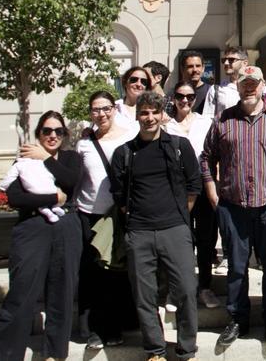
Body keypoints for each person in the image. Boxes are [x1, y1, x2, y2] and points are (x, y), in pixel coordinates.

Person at [200, 65, 266, 344]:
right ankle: (237, 320)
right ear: (238, 85)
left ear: (263, 85)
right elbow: (206, 158)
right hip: (233, 207)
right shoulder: (223, 120)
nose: (249, 87)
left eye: (254, 82)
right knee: (237, 267)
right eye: (244, 82)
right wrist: (212, 191)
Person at [110, 92, 201, 361]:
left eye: (154, 112)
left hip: (175, 229)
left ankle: (187, 349)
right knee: (145, 296)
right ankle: (155, 350)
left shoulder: (179, 146)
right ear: (137, 116)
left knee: (185, 290)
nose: (149, 117)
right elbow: (119, 195)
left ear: (163, 115)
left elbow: (193, 186)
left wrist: (180, 217)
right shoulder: (124, 153)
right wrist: (138, 220)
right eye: (144, 112)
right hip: (139, 232)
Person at [0, 111, 82, 361]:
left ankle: (54, 353)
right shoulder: (25, 157)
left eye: (58, 131)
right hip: (32, 227)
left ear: (65, 134)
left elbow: (72, 181)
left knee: (62, 292)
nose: (53, 136)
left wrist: (46, 158)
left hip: (66, 226)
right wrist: (53, 198)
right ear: (38, 133)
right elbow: (16, 197)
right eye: (47, 131)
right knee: (22, 290)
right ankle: (6, 354)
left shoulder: (71, 158)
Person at [74, 91, 135, 349]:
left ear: (115, 109)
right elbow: (77, 179)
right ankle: (95, 329)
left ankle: (117, 326)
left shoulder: (129, 135)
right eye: (96, 110)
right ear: (90, 113)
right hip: (90, 214)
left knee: (116, 272)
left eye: (106, 108)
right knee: (93, 272)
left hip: (119, 215)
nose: (101, 114)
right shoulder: (84, 143)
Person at [164, 80, 221, 309]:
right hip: (175, 190)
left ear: (195, 99)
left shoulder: (205, 122)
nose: (185, 100)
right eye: (180, 96)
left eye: (189, 96)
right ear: (174, 99)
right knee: (180, 241)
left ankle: (205, 287)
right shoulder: (166, 126)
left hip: (203, 186)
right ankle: (178, 290)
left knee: (206, 240)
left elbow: (215, 153)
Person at [0, 148, 66, 224]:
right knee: (55, 195)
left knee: (41, 205)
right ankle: (56, 207)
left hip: (36, 191)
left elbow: (9, 177)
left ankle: (49, 214)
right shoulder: (41, 162)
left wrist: (3, 188)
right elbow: (50, 174)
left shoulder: (18, 165)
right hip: (51, 188)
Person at [209, 45, 250, 116]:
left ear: (244, 63)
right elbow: (208, 118)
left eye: (231, 60)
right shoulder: (216, 89)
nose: (226, 63)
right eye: (224, 60)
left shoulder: (259, 87)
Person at [114, 65, 151, 130]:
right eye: (134, 80)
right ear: (125, 82)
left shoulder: (153, 109)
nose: (139, 84)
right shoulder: (114, 107)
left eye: (143, 81)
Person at [179, 49, 214, 116]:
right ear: (182, 69)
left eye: (198, 66)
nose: (195, 70)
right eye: (190, 66)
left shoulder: (211, 91)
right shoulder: (175, 93)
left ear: (203, 68)